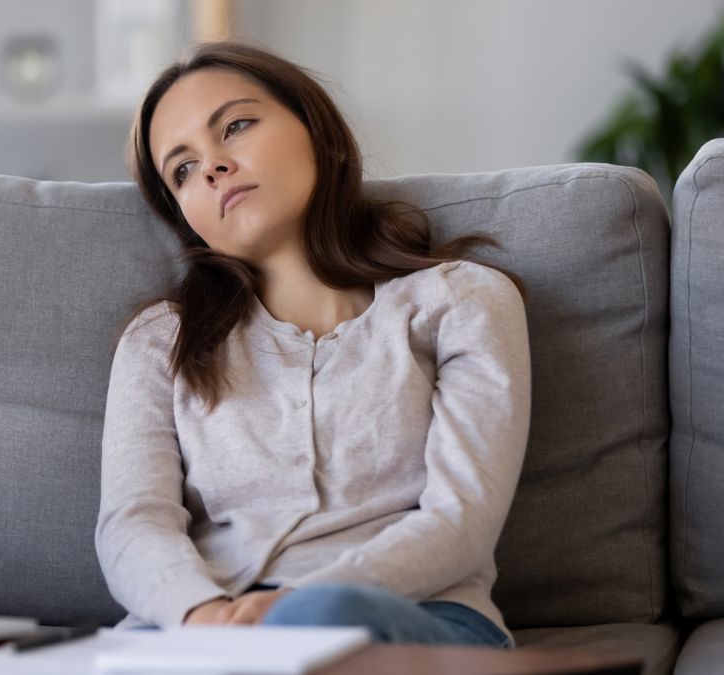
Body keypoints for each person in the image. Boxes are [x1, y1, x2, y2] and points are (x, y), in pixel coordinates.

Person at [95, 39, 532, 650]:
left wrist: (291, 610)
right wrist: (200, 614)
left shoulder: (461, 300)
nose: (213, 166)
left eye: (236, 126)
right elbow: (131, 524)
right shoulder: (159, 342)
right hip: (199, 628)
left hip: (421, 619)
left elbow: (463, 520)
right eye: (183, 169)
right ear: (184, 213)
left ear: (317, 132)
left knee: (317, 622)